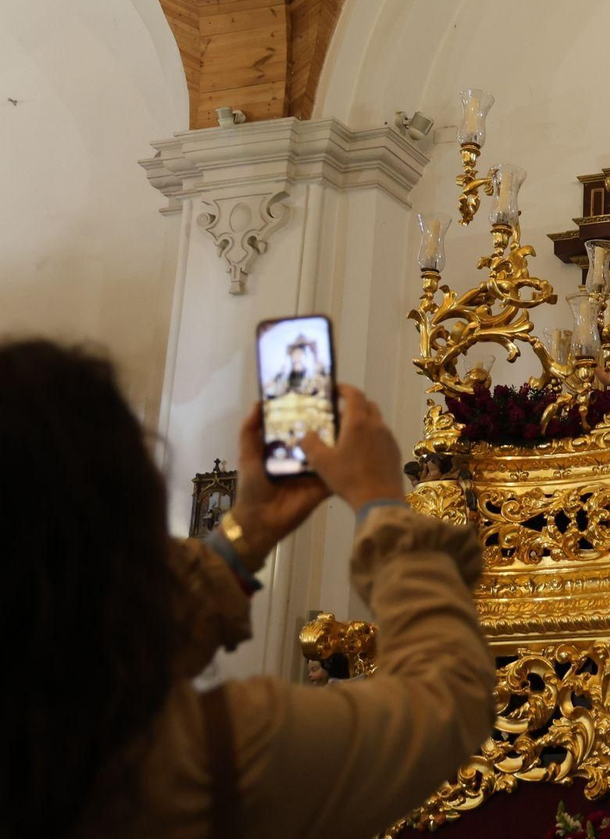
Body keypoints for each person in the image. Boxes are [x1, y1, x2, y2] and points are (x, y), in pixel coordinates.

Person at [7, 340, 496, 838]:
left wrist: (246, 533)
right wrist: (382, 502)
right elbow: (447, 698)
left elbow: (108, 634)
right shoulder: (204, 759)